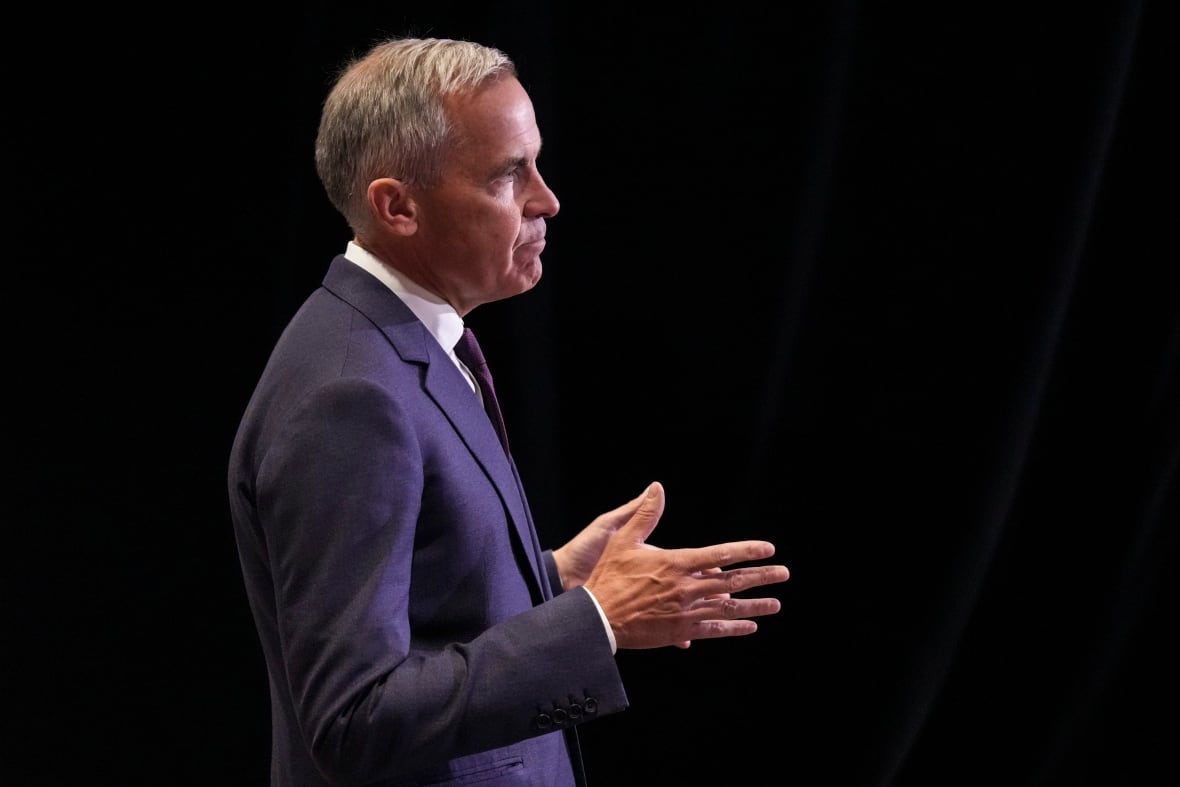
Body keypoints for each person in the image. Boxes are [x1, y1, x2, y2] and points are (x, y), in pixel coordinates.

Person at [227, 35, 790, 787]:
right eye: (507, 175)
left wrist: (546, 577)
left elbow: (424, 609)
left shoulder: (409, 341)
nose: (546, 200)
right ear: (397, 206)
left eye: (537, 162)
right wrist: (594, 620)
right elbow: (353, 721)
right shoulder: (348, 395)